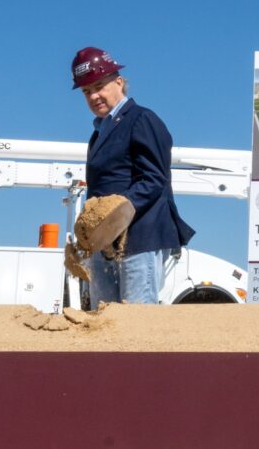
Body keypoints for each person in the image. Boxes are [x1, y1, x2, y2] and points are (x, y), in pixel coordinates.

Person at [72, 46, 195, 304]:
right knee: (103, 316)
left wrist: (114, 210)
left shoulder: (142, 119)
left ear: (119, 82)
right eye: (86, 91)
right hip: (105, 243)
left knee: (135, 317)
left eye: (99, 86)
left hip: (140, 238)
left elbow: (154, 178)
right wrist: (89, 232)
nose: (94, 96)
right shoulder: (98, 134)